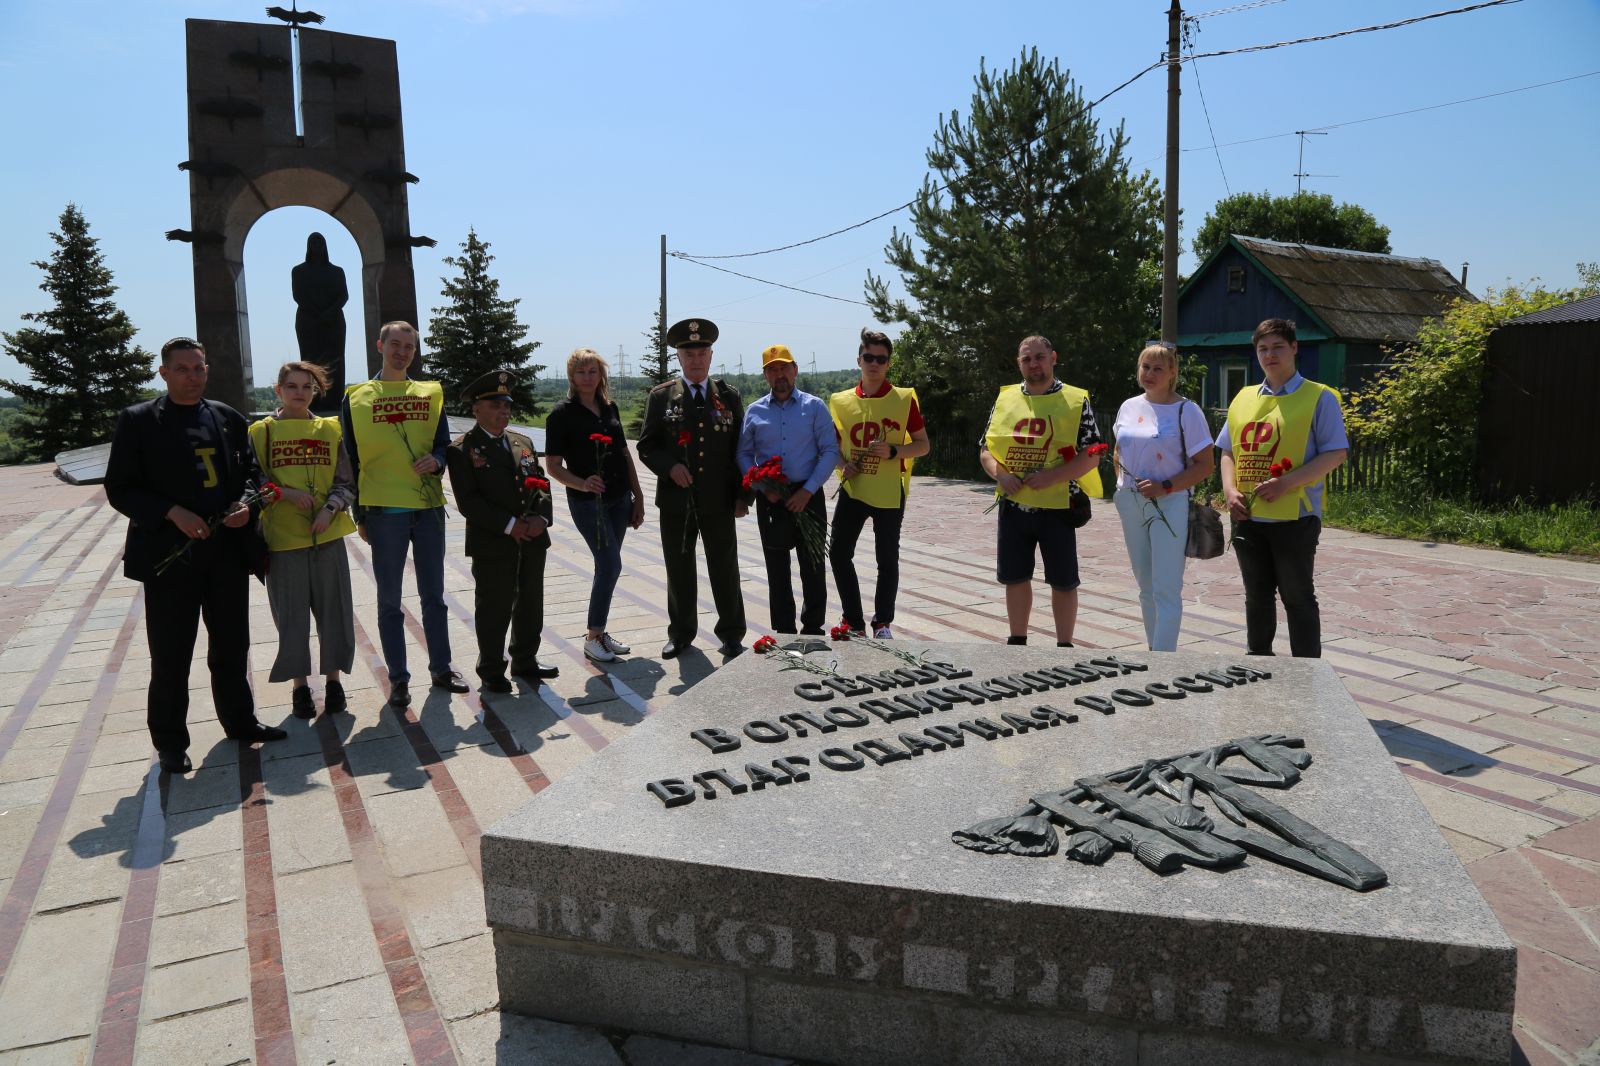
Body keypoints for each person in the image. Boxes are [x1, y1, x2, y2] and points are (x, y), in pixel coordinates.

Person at [104, 337, 288, 774]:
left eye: (199, 368)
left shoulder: (226, 418)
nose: (192, 376)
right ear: (164, 372)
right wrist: (171, 512)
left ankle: (240, 722)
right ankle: (170, 742)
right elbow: (120, 488)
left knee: (231, 645)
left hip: (225, 553)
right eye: (183, 369)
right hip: (171, 557)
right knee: (171, 652)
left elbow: (252, 475)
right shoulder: (138, 421)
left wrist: (249, 505)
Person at [340, 321, 469, 707]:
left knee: (434, 595)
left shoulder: (429, 394)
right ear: (380, 346)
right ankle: (398, 678)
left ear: (415, 351)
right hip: (384, 513)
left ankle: (441, 668)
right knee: (389, 600)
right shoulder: (358, 397)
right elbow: (353, 457)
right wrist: (360, 513)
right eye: (395, 345)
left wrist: (438, 460)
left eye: (409, 347)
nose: (401, 352)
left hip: (428, 509)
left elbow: (445, 445)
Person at [1217, 319, 1348, 658]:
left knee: (1297, 597)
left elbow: (1336, 453)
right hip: (1248, 516)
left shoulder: (1319, 398)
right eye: (1262, 348)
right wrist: (1230, 491)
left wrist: (1287, 483)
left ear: (1294, 348)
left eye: (1277, 347)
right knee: (1256, 596)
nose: (1269, 355)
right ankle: (1259, 664)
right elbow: (1228, 450)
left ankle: (1306, 674)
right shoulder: (1243, 398)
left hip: (1296, 516)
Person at [978, 334, 1104, 648]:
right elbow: (986, 448)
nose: (1034, 364)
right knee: (1015, 577)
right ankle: (1017, 642)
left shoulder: (1075, 400)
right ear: (1019, 364)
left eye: (1039, 357)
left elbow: (1094, 450)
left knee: (1063, 581)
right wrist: (1001, 475)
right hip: (1014, 505)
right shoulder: (1006, 398)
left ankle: (1064, 647)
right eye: (1026, 359)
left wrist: (1054, 477)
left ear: (1053, 358)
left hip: (1059, 506)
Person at [248, 361, 358, 718]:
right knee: (291, 617)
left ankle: (334, 681)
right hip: (283, 540)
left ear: (316, 391)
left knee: (334, 612)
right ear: (278, 390)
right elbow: (252, 482)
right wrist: (284, 493)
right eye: (292, 386)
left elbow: (346, 482)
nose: (299, 392)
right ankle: (300, 688)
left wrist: (330, 509)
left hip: (327, 536)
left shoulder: (330, 429)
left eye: (306, 387)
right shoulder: (261, 432)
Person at [636, 318, 748, 658]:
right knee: (679, 567)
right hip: (677, 501)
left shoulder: (728, 397)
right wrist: (670, 468)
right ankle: (682, 633)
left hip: (719, 499)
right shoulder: (661, 397)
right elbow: (646, 446)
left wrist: (745, 496)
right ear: (679, 358)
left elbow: (742, 450)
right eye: (689, 353)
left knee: (724, 567)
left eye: (701, 352)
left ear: (711, 356)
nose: (695, 359)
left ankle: (731, 634)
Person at [444, 371, 558, 693]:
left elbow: (542, 484)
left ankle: (526, 660)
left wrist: (542, 518)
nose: (503, 411)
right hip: (493, 541)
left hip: (533, 539)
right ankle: (492, 668)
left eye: (507, 404)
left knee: (531, 603)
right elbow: (468, 501)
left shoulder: (523, 442)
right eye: (495, 404)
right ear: (475, 409)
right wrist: (511, 526)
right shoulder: (462, 449)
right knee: (494, 606)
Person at [543, 348, 645, 662]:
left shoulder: (609, 407)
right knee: (611, 564)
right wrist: (582, 482)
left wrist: (638, 497)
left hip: (618, 499)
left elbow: (625, 454)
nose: (587, 378)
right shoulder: (561, 414)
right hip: (588, 503)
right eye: (580, 372)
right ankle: (592, 636)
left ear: (601, 374)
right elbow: (553, 465)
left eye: (592, 371)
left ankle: (600, 632)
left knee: (607, 566)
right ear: (571, 377)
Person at [1111, 344, 1215, 652]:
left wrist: (1165, 486)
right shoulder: (1129, 406)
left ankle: (1164, 658)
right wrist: (1121, 486)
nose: (1150, 374)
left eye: (1158, 368)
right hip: (1131, 501)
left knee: (1166, 586)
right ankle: (1153, 649)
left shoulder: (1187, 410)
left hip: (1169, 502)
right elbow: (1119, 449)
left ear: (1172, 373)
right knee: (1145, 585)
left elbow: (1205, 465)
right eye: (1145, 367)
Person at [828, 328, 929, 639]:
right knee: (838, 553)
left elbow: (923, 445)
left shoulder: (902, 399)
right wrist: (843, 466)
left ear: (888, 364)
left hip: (888, 491)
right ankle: (854, 622)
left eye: (881, 359)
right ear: (859, 360)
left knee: (887, 559)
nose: (874, 363)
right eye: (869, 357)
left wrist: (896, 451)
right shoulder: (840, 401)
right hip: (854, 490)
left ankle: (883, 622)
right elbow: (832, 446)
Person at [737, 344, 841, 636]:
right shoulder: (754, 411)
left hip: (807, 495)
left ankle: (812, 627)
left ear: (795, 370)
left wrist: (807, 490)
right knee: (777, 568)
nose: (779, 374)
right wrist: (760, 485)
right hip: (772, 498)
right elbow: (744, 455)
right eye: (772, 369)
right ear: (765, 375)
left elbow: (830, 451)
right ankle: (783, 630)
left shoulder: (815, 406)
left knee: (813, 565)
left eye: (784, 368)